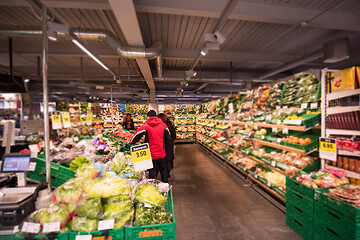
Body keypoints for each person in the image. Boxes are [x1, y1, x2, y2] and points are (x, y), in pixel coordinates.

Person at [131, 110, 171, 183]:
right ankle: (165, 185)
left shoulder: (145, 126)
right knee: (163, 168)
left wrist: (132, 142)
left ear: (148, 117)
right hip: (161, 152)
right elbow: (168, 138)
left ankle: (153, 186)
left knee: (152, 170)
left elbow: (135, 137)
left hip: (150, 153)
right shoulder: (164, 125)